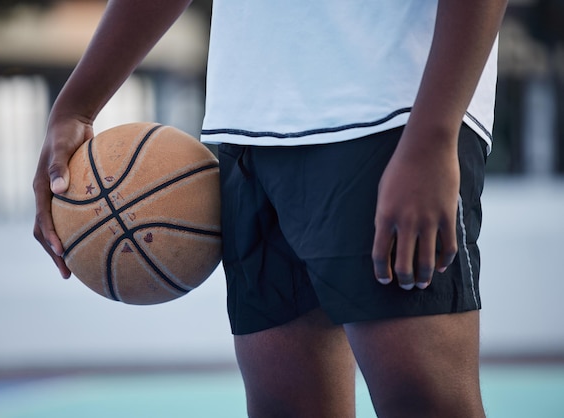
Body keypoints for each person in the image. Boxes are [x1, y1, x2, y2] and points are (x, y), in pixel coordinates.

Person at [33, 1, 508, 416]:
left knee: (422, 401)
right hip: (246, 130)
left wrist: (433, 134)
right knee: (287, 407)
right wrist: (75, 107)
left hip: (386, 112)